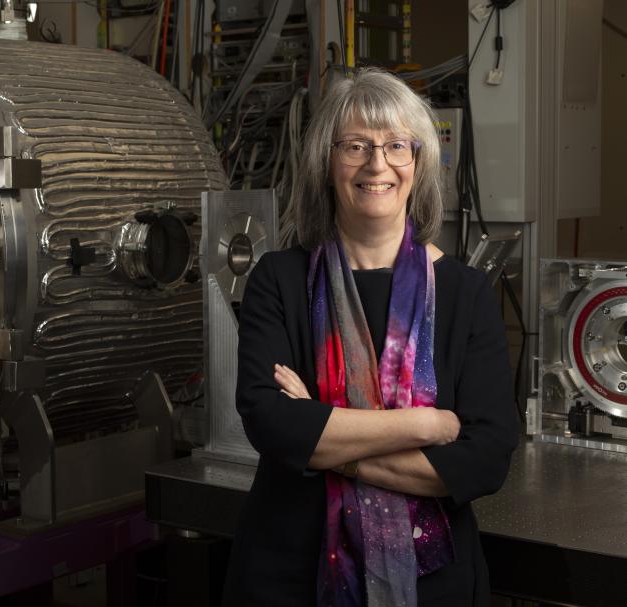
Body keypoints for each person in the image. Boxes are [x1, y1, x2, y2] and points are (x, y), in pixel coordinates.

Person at [222, 68, 519, 606]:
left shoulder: (466, 293)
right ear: (327, 164)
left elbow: (486, 459)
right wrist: (423, 424)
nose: (377, 164)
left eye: (396, 146)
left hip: (434, 586)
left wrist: (324, 436)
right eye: (355, 145)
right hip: (290, 577)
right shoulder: (279, 279)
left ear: (418, 163)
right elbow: (272, 423)